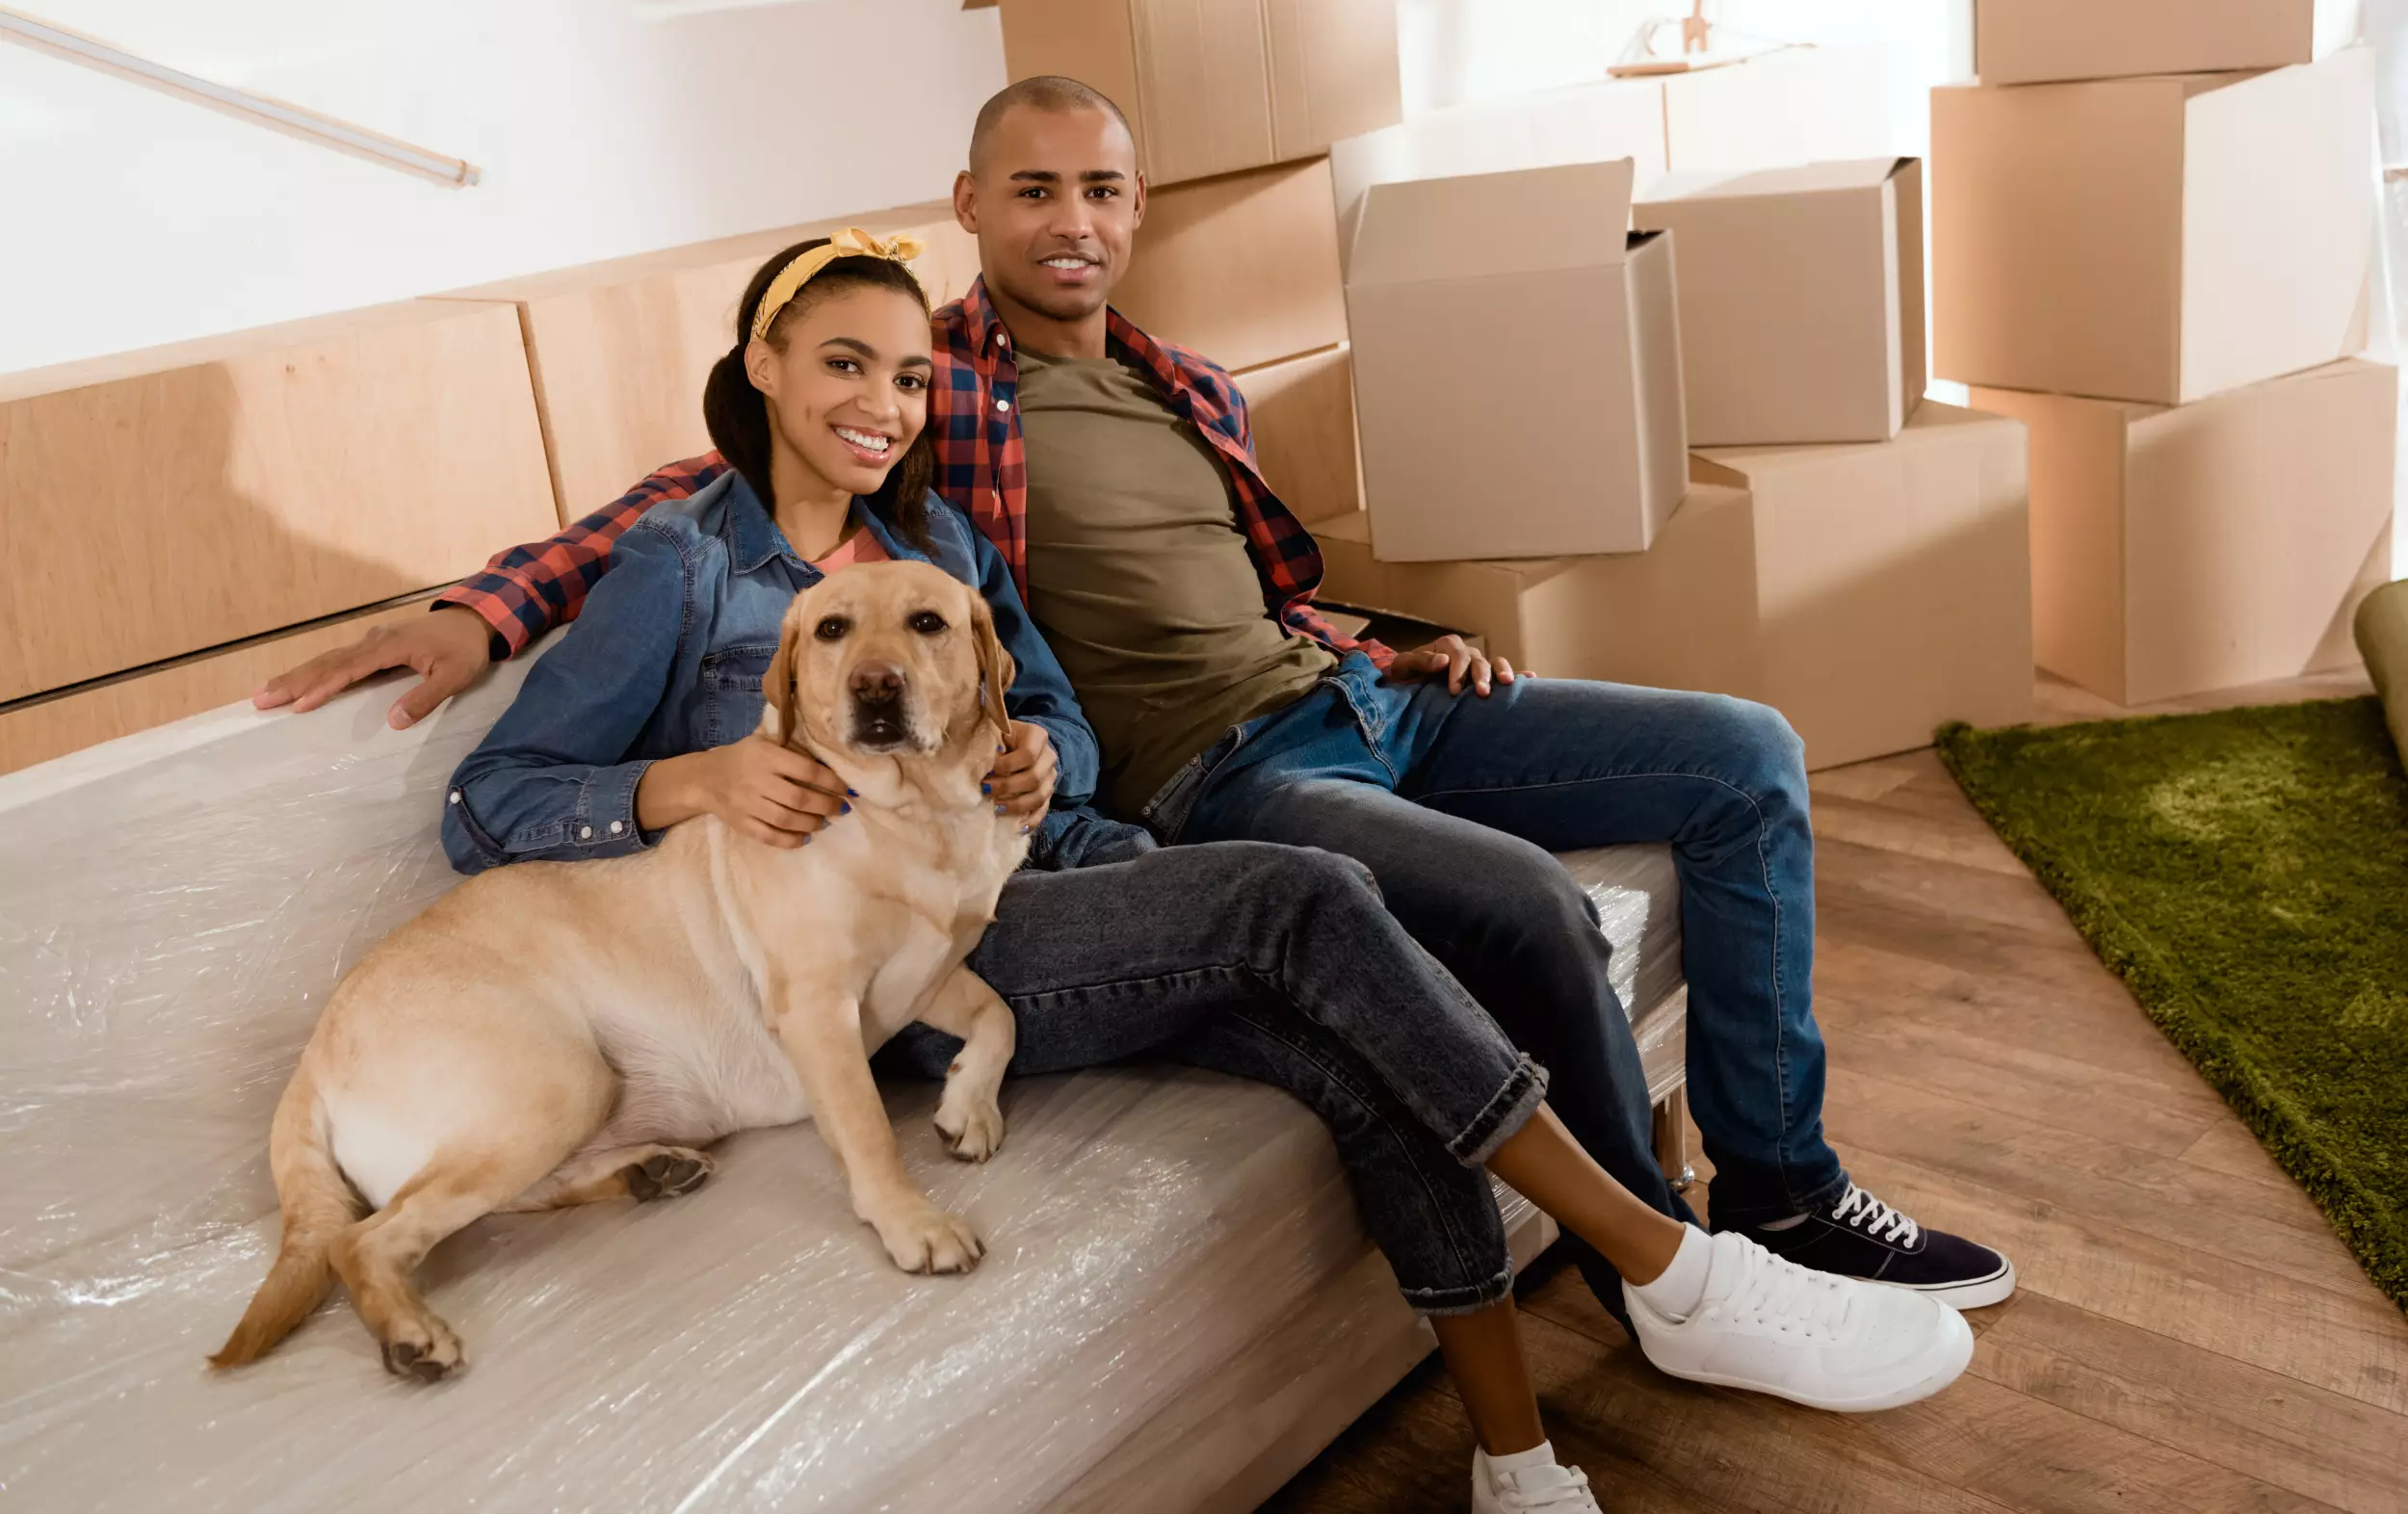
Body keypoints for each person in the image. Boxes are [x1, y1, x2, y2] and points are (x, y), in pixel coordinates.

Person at [264, 83, 2005, 1332]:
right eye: (1033, 190)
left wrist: (1367, 636)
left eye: (1102, 188)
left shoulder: (1137, 411)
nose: (1073, 221)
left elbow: (1205, 593)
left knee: (1744, 753)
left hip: (1297, 713)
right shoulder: (904, 433)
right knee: (1461, 906)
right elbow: (701, 508)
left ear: (1136, 206)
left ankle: (1774, 1196)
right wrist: (495, 617)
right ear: (969, 211)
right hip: (1179, 796)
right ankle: (1674, 1271)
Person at [412, 228, 1970, 1512]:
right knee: (1303, 896)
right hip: (893, 961)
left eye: (904, 374)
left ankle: (1520, 1471)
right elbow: (496, 799)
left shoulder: (944, 543)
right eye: (839, 364)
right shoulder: (681, 566)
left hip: (1056, 869)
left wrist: (1040, 760)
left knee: (1353, 1043)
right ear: (760, 367)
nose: (880, 403)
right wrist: (690, 777)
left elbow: (1058, 719)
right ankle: (1671, 1266)